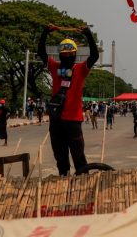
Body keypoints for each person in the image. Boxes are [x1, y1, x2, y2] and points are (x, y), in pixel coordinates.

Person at [38, 23, 98, 176]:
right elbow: (41, 53)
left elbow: (94, 56)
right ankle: (63, 181)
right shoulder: (54, 67)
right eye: (64, 54)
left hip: (73, 120)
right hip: (56, 119)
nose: (66, 56)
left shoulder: (80, 69)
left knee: (78, 156)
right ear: (60, 55)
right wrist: (45, 32)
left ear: (75, 54)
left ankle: (82, 181)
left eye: (69, 54)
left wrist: (88, 34)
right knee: (60, 156)